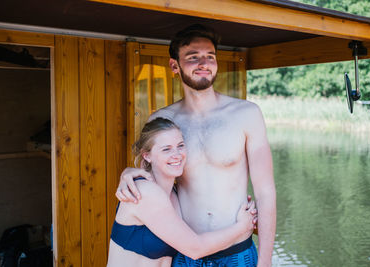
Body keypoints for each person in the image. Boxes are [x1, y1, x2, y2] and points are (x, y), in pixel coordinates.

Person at [116, 24, 276, 267]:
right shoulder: (163, 121)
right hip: (186, 253)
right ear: (174, 66)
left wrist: (265, 261)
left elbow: (265, 192)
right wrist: (128, 173)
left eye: (210, 57)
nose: (204, 63)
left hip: (238, 252)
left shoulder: (247, 114)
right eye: (193, 58)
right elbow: (153, 182)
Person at [107, 117, 257, 267]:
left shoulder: (174, 193)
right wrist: (242, 226)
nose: (177, 154)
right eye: (166, 149)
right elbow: (196, 249)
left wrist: (246, 211)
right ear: (147, 155)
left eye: (180, 146)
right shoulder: (144, 192)